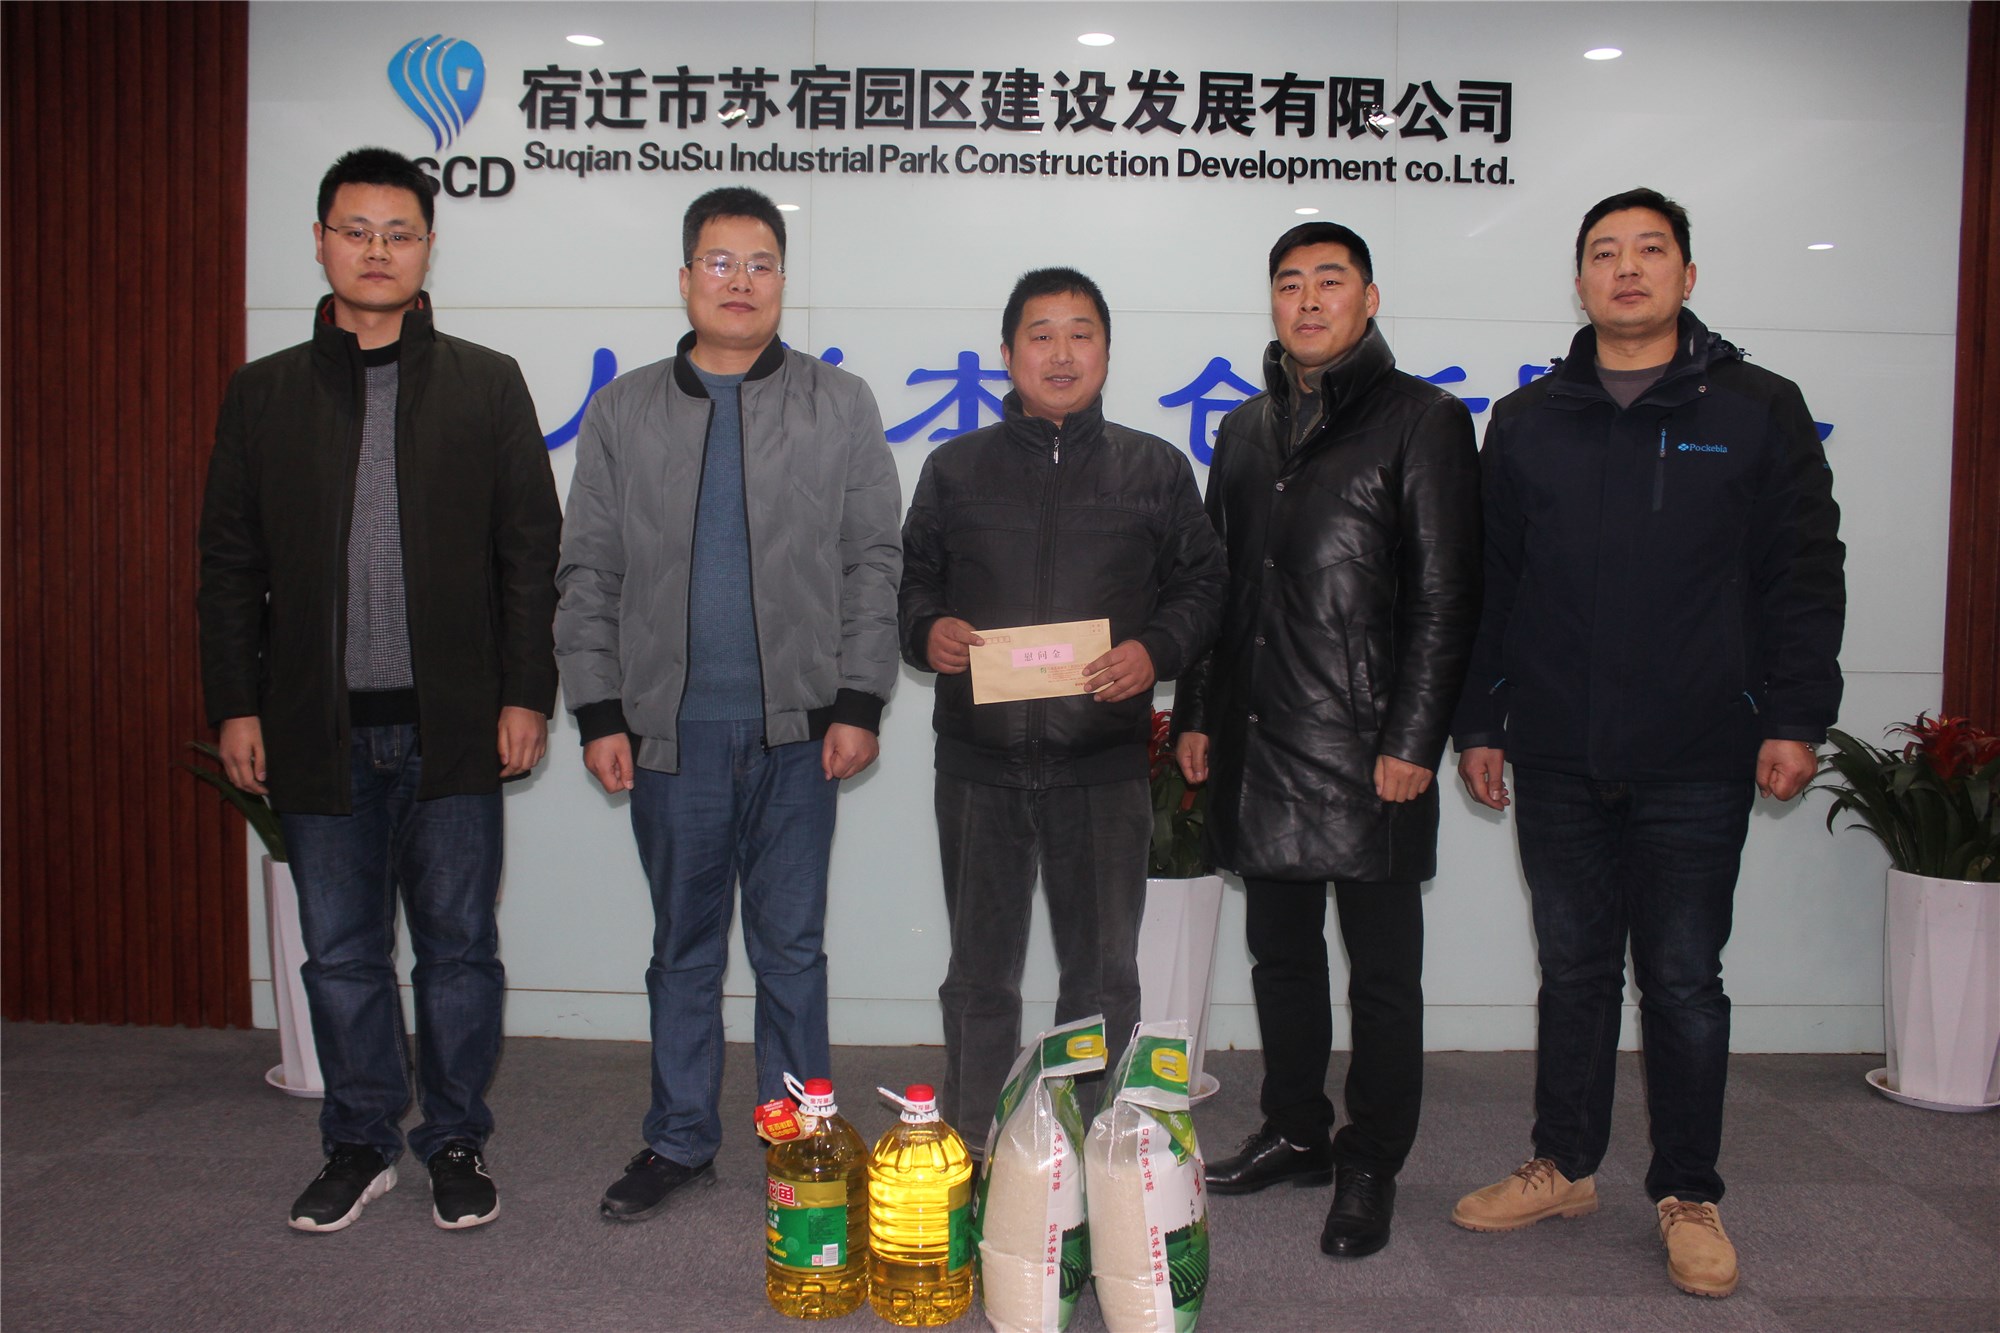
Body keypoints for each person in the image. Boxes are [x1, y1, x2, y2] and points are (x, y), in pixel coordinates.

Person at [1446, 188, 1845, 1300]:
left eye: (1649, 251)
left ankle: (1687, 1191)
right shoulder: (1526, 419)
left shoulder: (1757, 408)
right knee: (1572, 970)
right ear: (1577, 281)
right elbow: (1492, 586)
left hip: (1699, 747)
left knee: (1679, 979)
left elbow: (1803, 574)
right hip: (1558, 747)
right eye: (1603, 253)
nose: (1626, 270)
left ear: (1687, 275)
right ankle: (1563, 1164)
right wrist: (1479, 720)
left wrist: (1795, 716)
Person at [198, 147, 561, 1232]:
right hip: (318, 728)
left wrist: (526, 693)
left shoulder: (485, 382)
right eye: (355, 231)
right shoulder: (264, 392)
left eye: (398, 233)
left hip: (453, 726)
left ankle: (453, 1137)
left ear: (427, 248)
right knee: (344, 953)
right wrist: (236, 702)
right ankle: (358, 1141)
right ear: (320, 242)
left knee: (458, 952)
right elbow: (230, 564)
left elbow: (529, 555)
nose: (376, 251)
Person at [555, 186, 902, 1222]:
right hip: (671, 737)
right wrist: (598, 711)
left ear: (783, 281)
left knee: (791, 948)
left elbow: (873, 561)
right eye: (719, 261)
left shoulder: (839, 403)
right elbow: (588, 570)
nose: (739, 281)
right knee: (685, 950)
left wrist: (859, 700)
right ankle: (678, 1139)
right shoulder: (625, 411)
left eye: (760, 263)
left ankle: (800, 1140)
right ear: (684, 278)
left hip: (801, 731)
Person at [1174, 222, 1482, 1259]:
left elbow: (1445, 598)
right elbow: (1217, 585)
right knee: (1280, 957)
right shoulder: (1243, 429)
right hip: (1261, 735)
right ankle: (1296, 1129)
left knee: (1381, 975)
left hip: (1368, 747)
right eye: (1289, 283)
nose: (1307, 300)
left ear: (1369, 297)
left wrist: (1414, 739)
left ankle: (1371, 1158)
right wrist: (1197, 712)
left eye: (1329, 281)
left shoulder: (1423, 419)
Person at [898, 268, 1226, 1135]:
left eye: (1081, 333)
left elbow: (1204, 586)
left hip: (1102, 765)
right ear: (1007, 354)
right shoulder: (954, 469)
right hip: (979, 767)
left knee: (1105, 977)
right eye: (1040, 334)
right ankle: (975, 1146)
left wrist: (1154, 649)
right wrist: (926, 629)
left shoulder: (1155, 469)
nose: (1061, 352)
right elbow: (912, 581)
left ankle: (1101, 1149)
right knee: (979, 974)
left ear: (1107, 352)